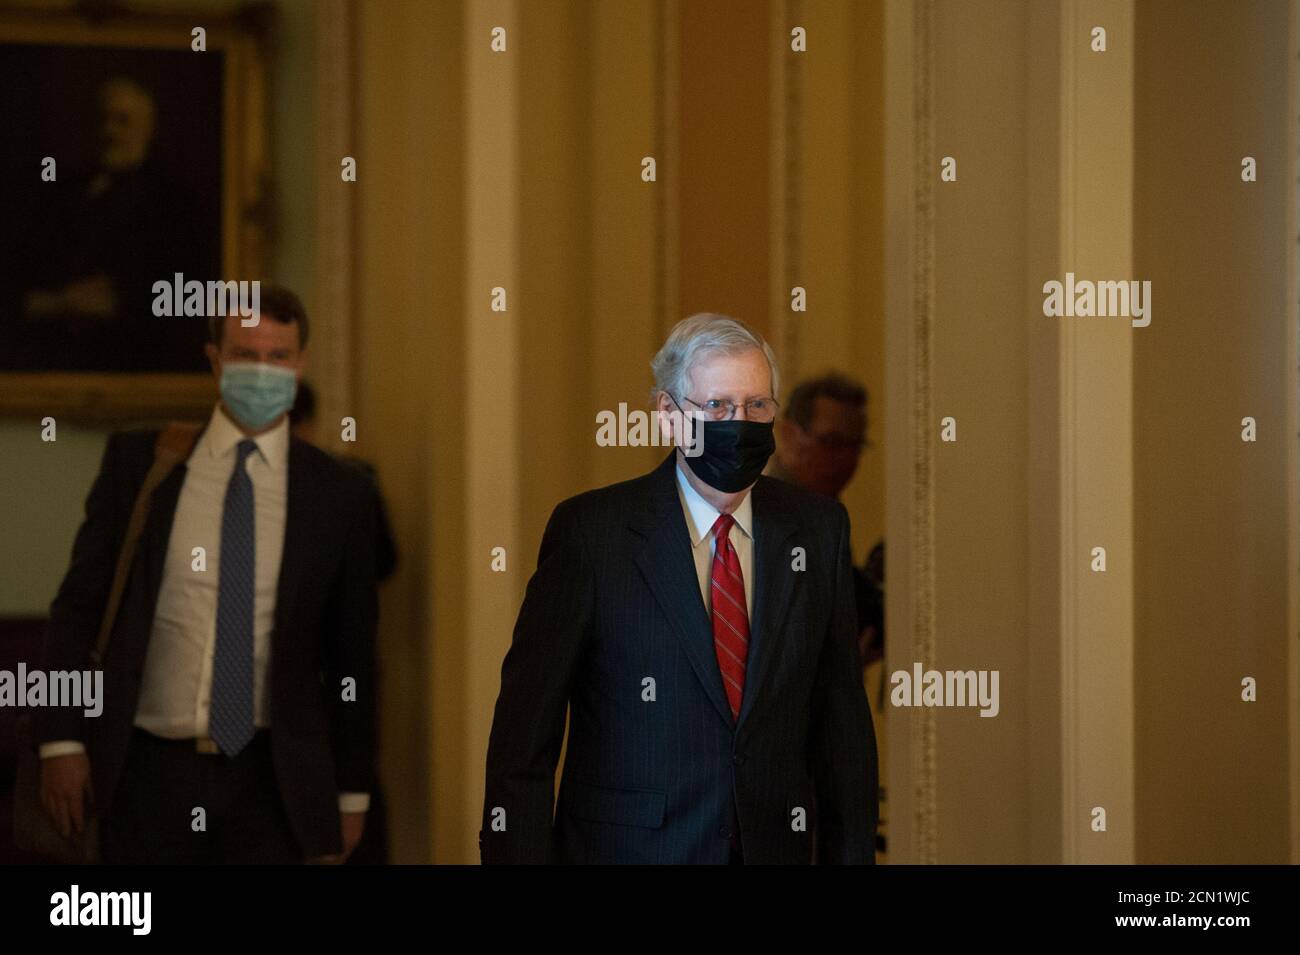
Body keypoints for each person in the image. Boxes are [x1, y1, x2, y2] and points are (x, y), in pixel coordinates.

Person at [480, 313, 878, 864]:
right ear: (669, 416)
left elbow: (842, 730)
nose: (738, 423)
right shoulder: (593, 535)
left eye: (756, 406)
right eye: (716, 407)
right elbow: (524, 737)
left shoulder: (818, 529)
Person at [35, 285, 379, 864]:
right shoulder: (142, 464)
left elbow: (353, 655)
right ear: (216, 361)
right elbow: (79, 606)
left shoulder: (338, 493)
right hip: (145, 768)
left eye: (278, 357)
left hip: (272, 779)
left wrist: (350, 794)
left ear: (300, 364)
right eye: (246, 355)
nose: (262, 371)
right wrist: (60, 739)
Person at [767, 373, 884, 668]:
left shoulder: (823, 509)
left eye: (855, 445)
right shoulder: (762, 518)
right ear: (789, 435)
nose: (844, 459)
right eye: (831, 442)